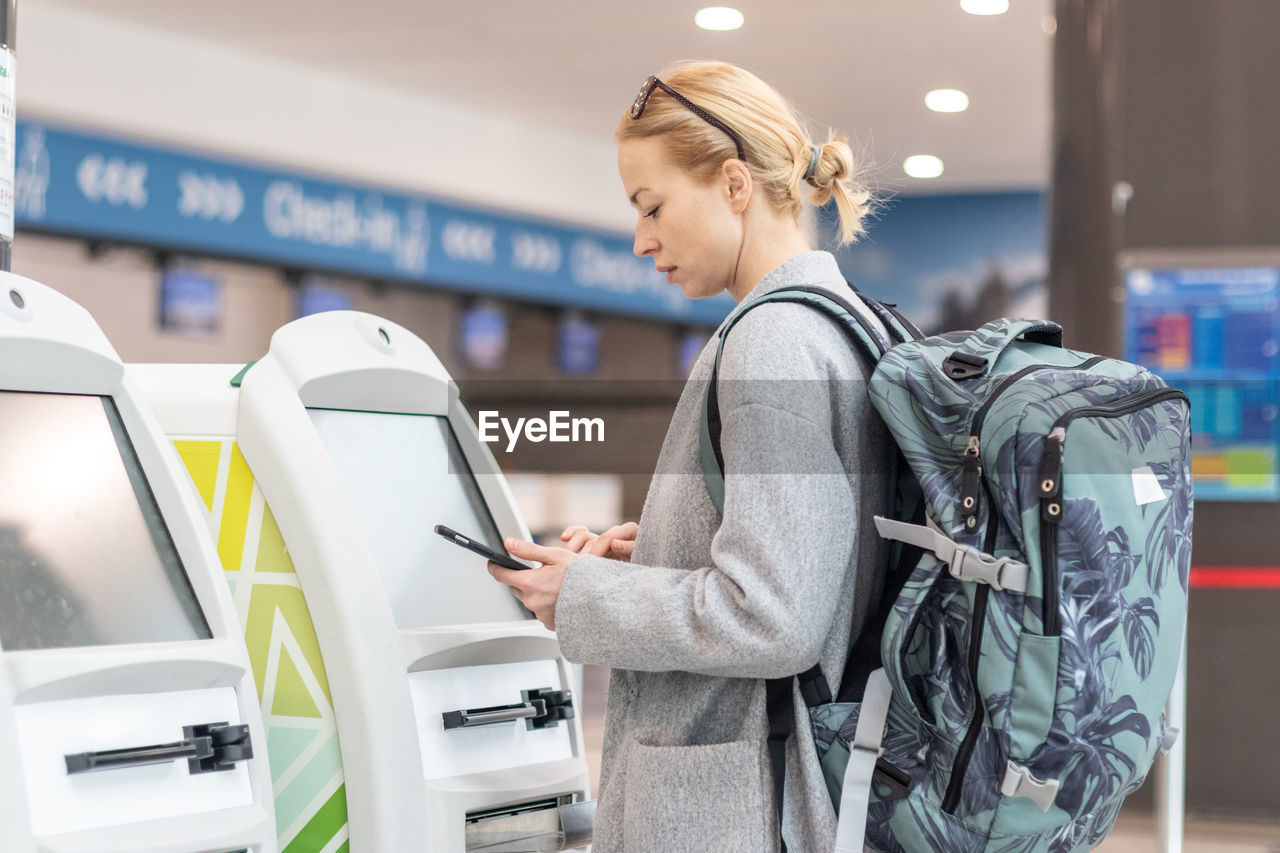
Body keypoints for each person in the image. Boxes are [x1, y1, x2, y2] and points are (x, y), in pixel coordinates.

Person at [488, 60, 894, 852]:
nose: (642, 240)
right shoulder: (850, 323)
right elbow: (820, 557)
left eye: (653, 206)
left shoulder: (772, 339)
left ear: (734, 184)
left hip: (741, 811)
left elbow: (773, 616)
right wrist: (652, 558)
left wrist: (587, 600)